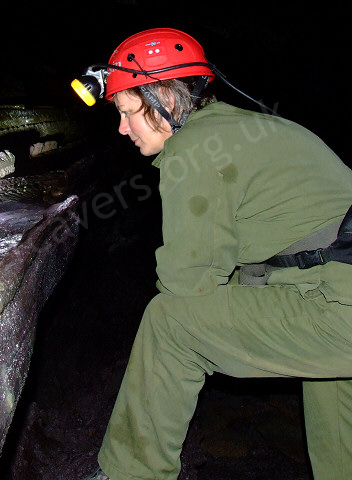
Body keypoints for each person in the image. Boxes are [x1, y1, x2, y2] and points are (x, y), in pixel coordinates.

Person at [74, 28, 352, 480]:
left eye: (127, 113)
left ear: (163, 96)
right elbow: (284, 257)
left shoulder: (196, 149)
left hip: (339, 303)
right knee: (338, 424)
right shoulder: (246, 129)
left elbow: (189, 284)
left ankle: (130, 473)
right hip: (332, 289)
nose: (122, 128)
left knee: (170, 323)